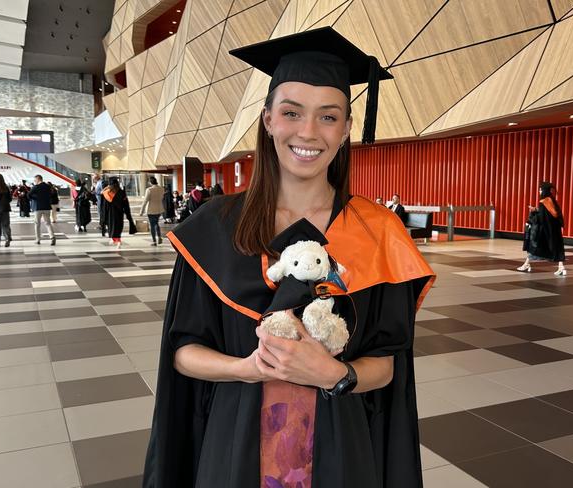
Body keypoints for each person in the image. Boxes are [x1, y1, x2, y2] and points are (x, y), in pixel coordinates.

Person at [143, 27, 435, 488]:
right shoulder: (218, 225)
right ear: (268, 120)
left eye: (328, 117)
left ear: (346, 128)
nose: (308, 132)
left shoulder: (377, 230)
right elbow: (183, 353)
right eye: (292, 112)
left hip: (340, 440)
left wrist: (334, 373)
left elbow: (387, 364)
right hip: (235, 437)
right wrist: (245, 368)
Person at [518, 181, 566, 276]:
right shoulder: (552, 200)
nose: (539, 192)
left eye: (540, 190)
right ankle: (561, 267)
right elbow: (551, 214)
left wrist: (531, 217)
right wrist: (536, 209)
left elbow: (541, 217)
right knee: (556, 247)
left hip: (545, 231)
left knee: (534, 246)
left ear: (544, 191)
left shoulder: (543, 202)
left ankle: (526, 264)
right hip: (554, 230)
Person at [102, 177, 133, 249]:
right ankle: (117, 241)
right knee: (118, 228)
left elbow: (105, 206)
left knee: (112, 227)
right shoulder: (122, 193)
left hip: (110, 213)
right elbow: (126, 204)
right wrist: (127, 214)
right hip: (119, 213)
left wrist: (104, 215)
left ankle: (114, 239)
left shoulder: (107, 193)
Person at [28, 175, 55, 245]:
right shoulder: (48, 186)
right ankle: (52, 237)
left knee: (37, 224)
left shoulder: (36, 187)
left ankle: (38, 239)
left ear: (38, 179)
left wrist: (36, 198)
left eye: (35, 180)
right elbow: (51, 195)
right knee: (48, 223)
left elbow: (29, 195)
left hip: (38, 207)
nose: (34, 181)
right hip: (47, 207)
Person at [140, 176, 165, 246]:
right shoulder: (161, 189)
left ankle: (154, 241)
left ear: (150, 182)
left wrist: (141, 211)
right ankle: (159, 237)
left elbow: (145, 201)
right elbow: (162, 198)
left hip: (151, 209)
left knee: (152, 225)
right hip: (159, 209)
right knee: (156, 223)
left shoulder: (149, 190)